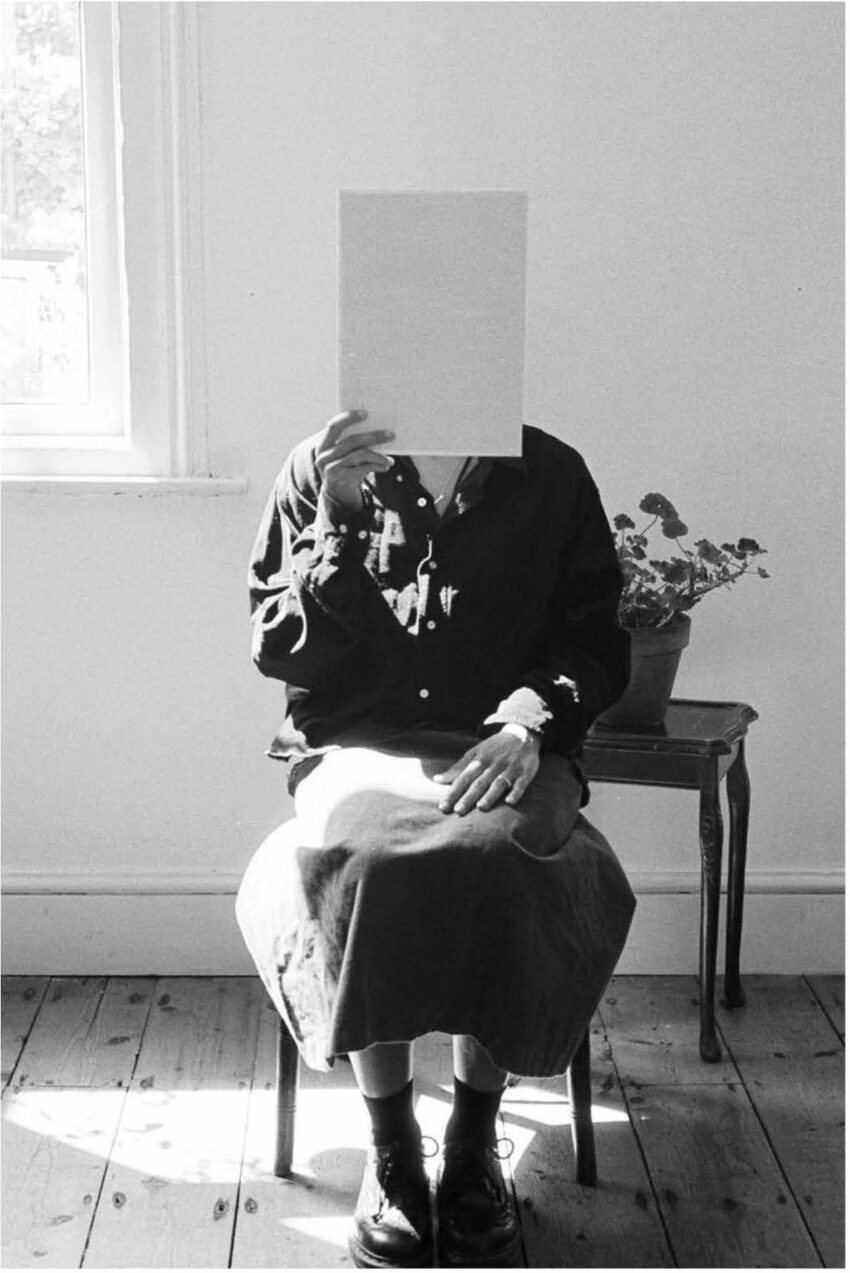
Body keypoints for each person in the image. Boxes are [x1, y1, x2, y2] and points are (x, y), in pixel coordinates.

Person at [241, 409, 637, 1269]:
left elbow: (596, 637)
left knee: (496, 857)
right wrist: (337, 520)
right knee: (371, 865)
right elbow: (281, 650)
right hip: (361, 740)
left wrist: (531, 722)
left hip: (505, 740)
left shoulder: (552, 473)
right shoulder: (320, 467)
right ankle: (391, 1152)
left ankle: (470, 1143)